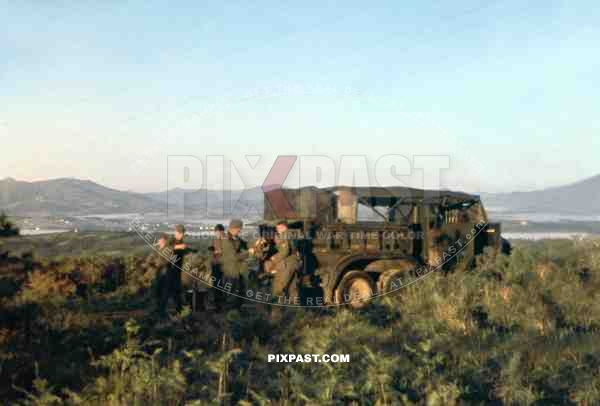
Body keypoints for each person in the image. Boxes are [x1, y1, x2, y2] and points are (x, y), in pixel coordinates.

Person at [267, 220, 302, 304]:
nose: (277, 229)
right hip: (294, 263)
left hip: (287, 264)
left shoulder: (285, 235)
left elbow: (285, 251)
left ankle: (276, 311)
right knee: (292, 286)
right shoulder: (292, 233)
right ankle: (294, 309)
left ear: (283, 226)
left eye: (278, 227)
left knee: (279, 286)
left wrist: (273, 259)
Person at [220, 219, 250, 310]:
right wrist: (248, 253)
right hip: (230, 271)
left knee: (240, 293)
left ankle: (236, 312)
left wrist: (256, 244)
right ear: (233, 228)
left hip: (237, 270)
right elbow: (234, 257)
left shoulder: (235, 238)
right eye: (239, 229)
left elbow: (245, 244)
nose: (240, 231)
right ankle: (229, 315)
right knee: (231, 293)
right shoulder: (226, 240)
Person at [208, 224, 226, 311]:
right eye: (215, 232)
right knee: (216, 285)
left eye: (216, 232)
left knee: (220, 286)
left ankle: (220, 305)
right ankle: (217, 305)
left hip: (222, 266)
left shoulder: (226, 240)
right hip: (215, 265)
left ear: (221, 231)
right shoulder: (216, 240)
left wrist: (217, 251)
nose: (215, 233)